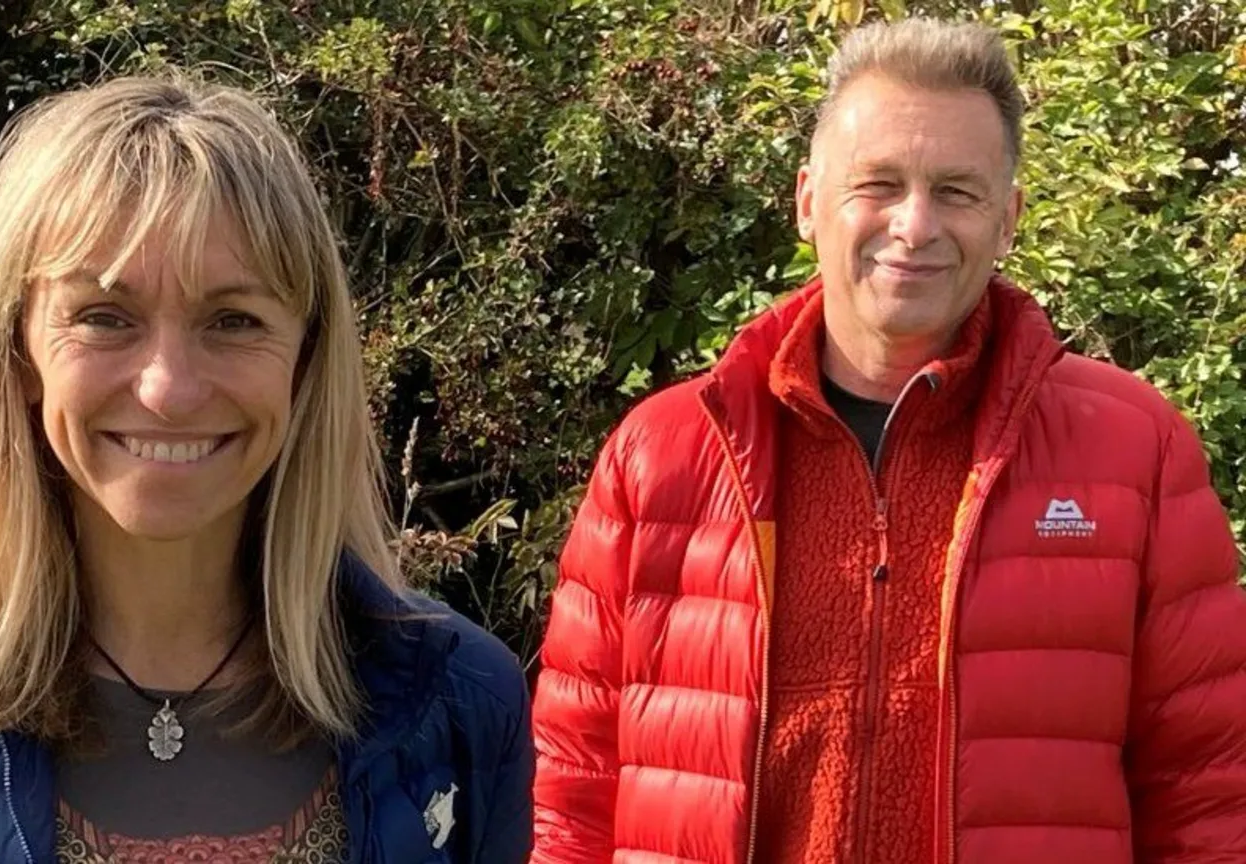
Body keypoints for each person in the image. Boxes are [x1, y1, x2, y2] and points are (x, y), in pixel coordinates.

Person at [0, 73, 532, 863]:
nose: (168, 389)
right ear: (19, 353)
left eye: (234, 319)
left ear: (306, 359)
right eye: (104, 317)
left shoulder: (457, 708)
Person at [531, 17, 1246, 864]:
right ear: (807, 201)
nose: (914, 225)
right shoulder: (664, 456)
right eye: (878, 183)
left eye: (956, 191)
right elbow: (571, 793)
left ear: (1008, 219)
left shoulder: (1133, 452)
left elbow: (1209, 796)